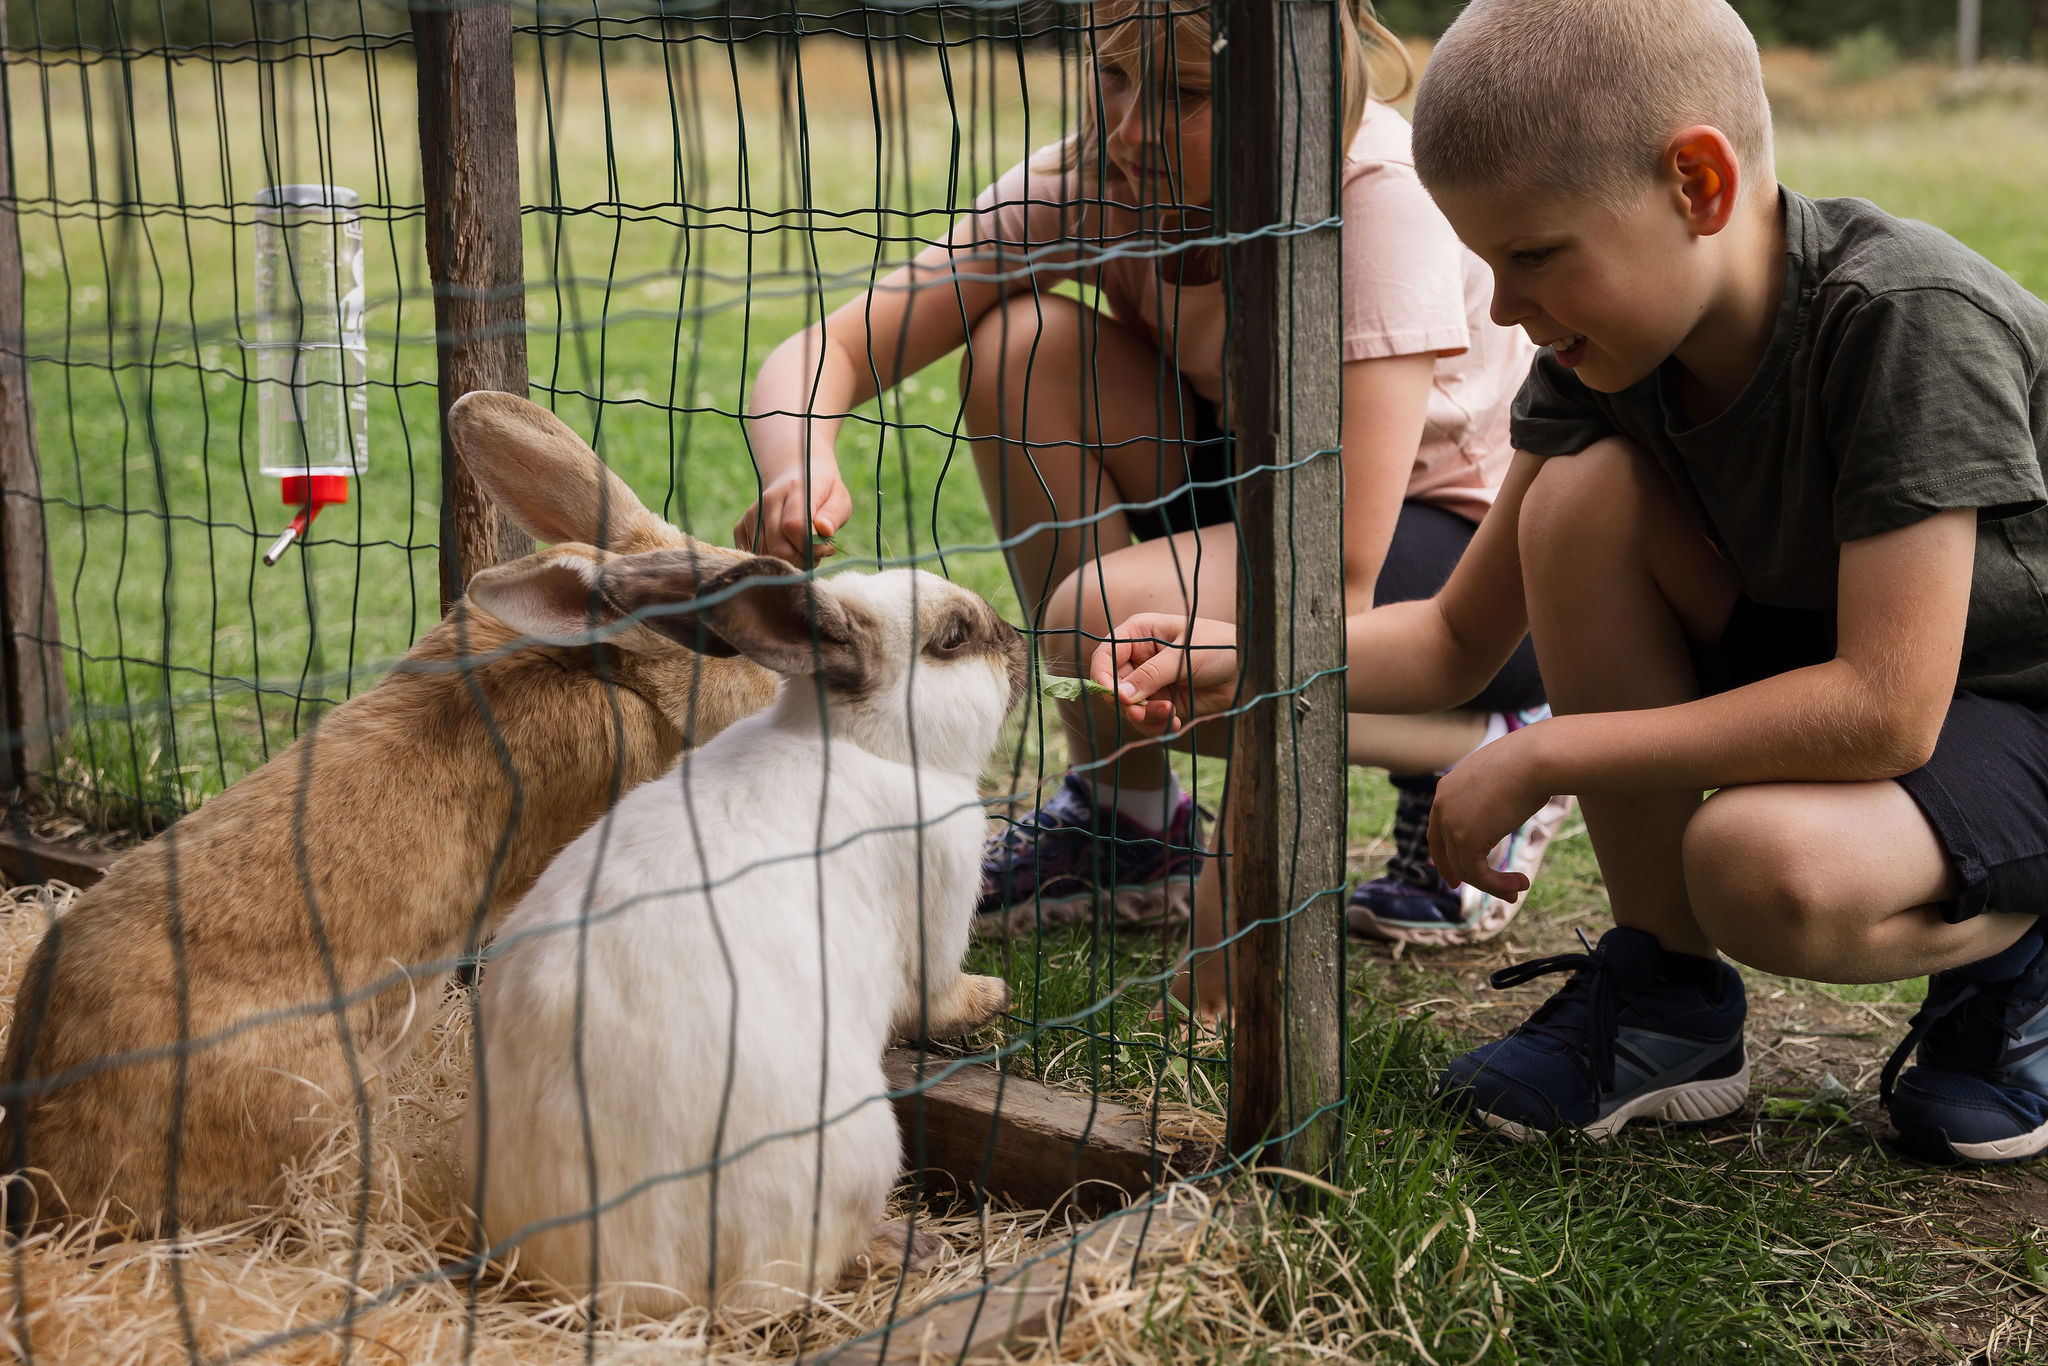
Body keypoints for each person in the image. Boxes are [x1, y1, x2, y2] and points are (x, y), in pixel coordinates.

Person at [1095, 0, 2048, 1166]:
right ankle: (1666, 1001)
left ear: (1695, 182)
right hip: (1865, 683)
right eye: (1485, 263)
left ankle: (2022, 948)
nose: (1500, 308)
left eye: (1532, 256)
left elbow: (1881, 708)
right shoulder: (1603, 360)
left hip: (2009, 701)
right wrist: (1247, 661)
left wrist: (1542, 751)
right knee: (1577, 499)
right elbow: (1453, 640)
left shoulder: (1901, 317)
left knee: (1762, 869)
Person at [735, 0, 1562, 991]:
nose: (1129, 127)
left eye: (1187, 92)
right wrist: (796, 462)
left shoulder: (1376, 199)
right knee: (1024, 347)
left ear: (1289, 85)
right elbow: (835, 346)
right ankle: (1127, 823)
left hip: (1456, 562)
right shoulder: (1095, 176)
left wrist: (1229, 915)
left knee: (1090, 623)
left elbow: (1334, 577)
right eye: (1113, 73)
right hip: (1260, 481)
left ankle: (1496, 745)